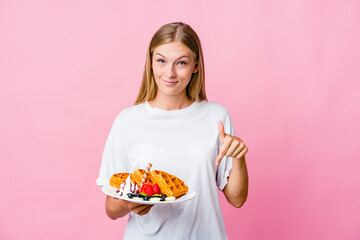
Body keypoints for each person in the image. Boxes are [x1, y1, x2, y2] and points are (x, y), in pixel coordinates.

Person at [96, 22, 249, 239]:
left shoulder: (216, 117)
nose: (170, 72)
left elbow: (237, 199)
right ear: (151, 63)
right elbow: (111, 208)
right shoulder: (128, 121)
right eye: (161, 61)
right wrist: (128, 203)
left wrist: (239, 157)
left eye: (181, 63)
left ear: (196, 65)